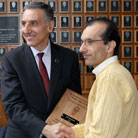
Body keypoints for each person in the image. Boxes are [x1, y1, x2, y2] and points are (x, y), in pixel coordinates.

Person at [1, 2, 81, 138]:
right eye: (23, 23)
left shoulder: (69, 58)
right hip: (22, 134)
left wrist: (62, 129)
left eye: (33, 23)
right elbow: (13, 106)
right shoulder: (11, 60)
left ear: (50, 26)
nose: (26, 30)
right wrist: (44, 129)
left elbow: (73, 99)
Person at [54, 18, 138, 138]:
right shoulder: (113, 73)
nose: (82, 49)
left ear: (109, 46)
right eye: (82, 42)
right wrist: (74, 132)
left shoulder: (109, 78)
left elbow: (101, 135)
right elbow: (101, 126)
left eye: (89, 42)